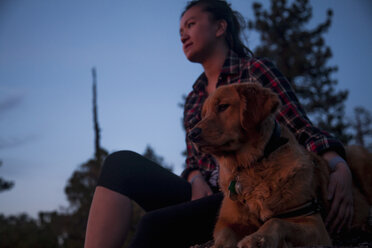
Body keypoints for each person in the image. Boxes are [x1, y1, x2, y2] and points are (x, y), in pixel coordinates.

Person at [84, 1, 353, 247]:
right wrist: (193, 176)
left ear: (220, 28)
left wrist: (337, 164)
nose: (182, 34)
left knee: (153, 225)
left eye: (190, 24)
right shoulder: (194, 98)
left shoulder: (255, 71)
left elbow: (301, 127)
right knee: (120, 164)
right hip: (203, 193)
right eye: (180, 29)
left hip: (245, 196)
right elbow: (193, 158)